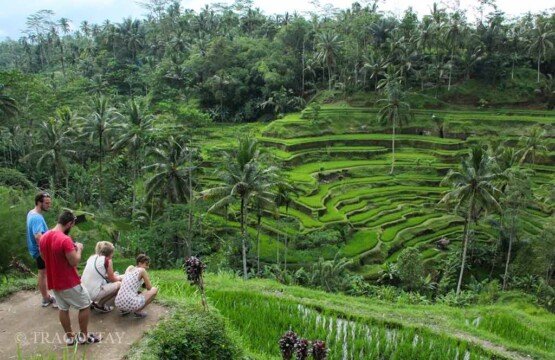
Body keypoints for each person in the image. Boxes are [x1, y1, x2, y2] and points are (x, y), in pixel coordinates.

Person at [39, 210, 101, 345]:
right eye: (72, 225)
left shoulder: (44, 237)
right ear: (68, 223)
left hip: (54, 281)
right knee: (85, 305)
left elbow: (43, 256)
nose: (72, 228)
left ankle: (69, 337)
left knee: (63, 308)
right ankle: (83, 337)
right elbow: (74, 261)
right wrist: (79, 248)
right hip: (69, 281)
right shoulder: (65, 239)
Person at [26, 191, 56, 308]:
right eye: (47, 203)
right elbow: (38, 236)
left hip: (36, 250)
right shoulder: (37, 218)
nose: (49, 205)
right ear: (39, 203)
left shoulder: (31, 213)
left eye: (49, 203)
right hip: (40, 251)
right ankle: (48, 298)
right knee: (44, 274)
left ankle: (45, 298)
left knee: (43, 273)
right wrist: (45, 253)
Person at [81, 241, 122, 313]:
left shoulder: (92, 257)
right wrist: (120, 278)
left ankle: (90, 302)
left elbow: (96, 273)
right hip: (92, 294)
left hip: (82, 292)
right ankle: (100, 305)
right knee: (119, 284)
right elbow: (112, 279)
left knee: (107, 279)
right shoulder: (107, 260)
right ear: (110, 253)